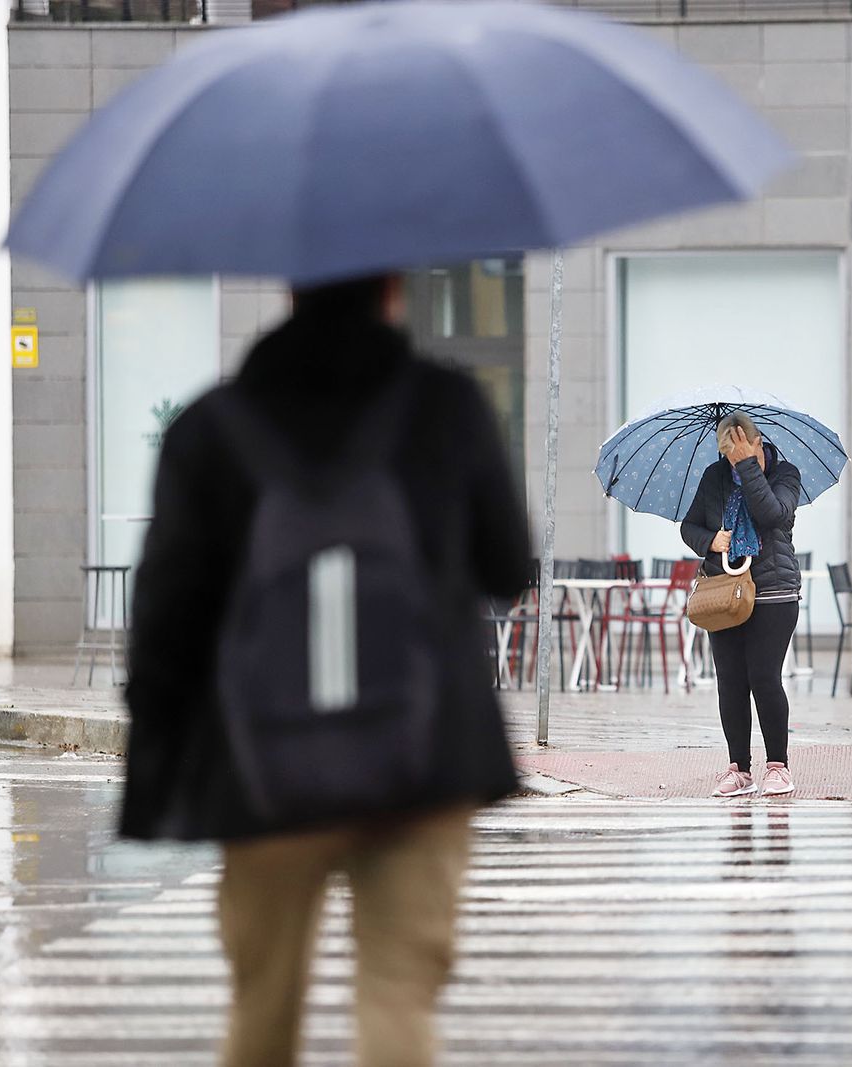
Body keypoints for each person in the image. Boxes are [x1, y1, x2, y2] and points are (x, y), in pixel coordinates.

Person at [121, 274, 531, 1067]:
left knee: (261, 1011)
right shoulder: (447, 408)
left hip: (259, 764)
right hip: (424, 755)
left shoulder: (210, 429)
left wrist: (161, 762)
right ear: (393, 287)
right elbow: (507, 565)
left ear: (289, 290)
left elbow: (166, 619)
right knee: (398, 999)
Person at [681, 412, 803, 798]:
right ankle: (739, 769)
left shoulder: (785, 475)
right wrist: (710, 541)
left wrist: (748, 467)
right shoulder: (714, 478)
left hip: (772, 592)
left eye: (736, 450)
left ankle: (778, 767)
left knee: (764, 679)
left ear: (756, 443)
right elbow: (689, 527)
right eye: (725, 453)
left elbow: (771, 514)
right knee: (730, 683)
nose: (729, 459)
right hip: (725, 593)